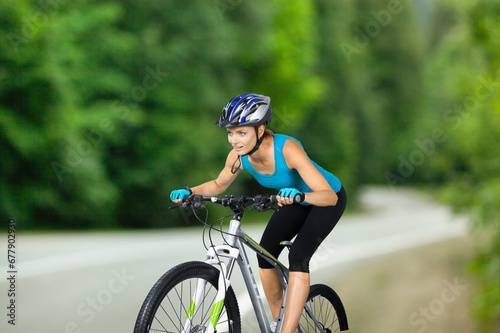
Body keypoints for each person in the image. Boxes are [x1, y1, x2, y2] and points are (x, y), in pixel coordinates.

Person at [170, 93, 347, 333]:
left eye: (241, 132)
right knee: (265, 256)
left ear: (261, 129)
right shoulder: (238, 156)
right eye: (230, 133)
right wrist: (190, 191)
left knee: (298, 258)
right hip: (292, 198)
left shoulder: (287, 149)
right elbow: (219, 184)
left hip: (324, 199)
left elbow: (329, 196)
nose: (234, 140)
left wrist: (300, 196)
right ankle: (280, 323)